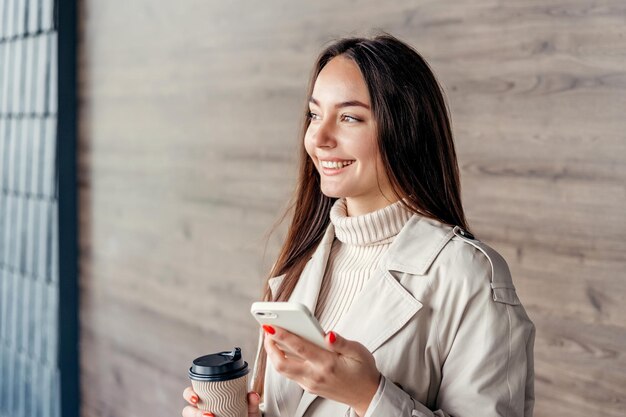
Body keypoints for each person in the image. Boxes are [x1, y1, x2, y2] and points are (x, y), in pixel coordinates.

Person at [182, 33, 535, 417]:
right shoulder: (299, 264)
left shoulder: (470, 276)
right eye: (315, 114)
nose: (318, 137)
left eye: (349, 117)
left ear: (405, 131)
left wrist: (370, 396)